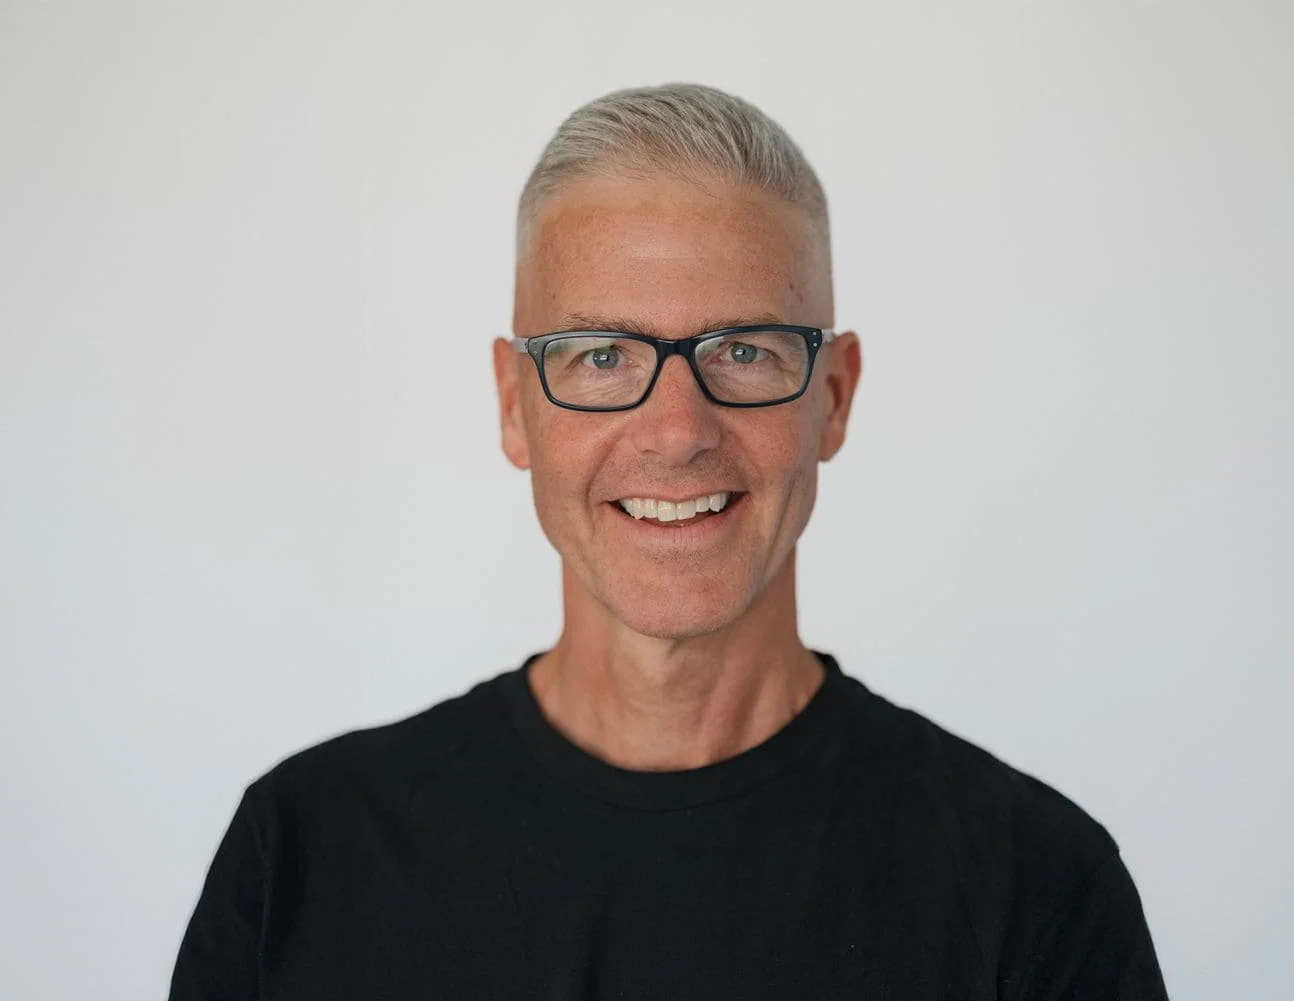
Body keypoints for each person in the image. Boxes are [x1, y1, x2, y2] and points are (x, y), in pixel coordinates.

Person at [169, 83, 1168, 1000]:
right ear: (515, 406)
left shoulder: (1035, 887)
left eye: (742, 350)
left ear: (833, 394)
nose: (678, 429)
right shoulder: (304, 853)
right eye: (599, 354)